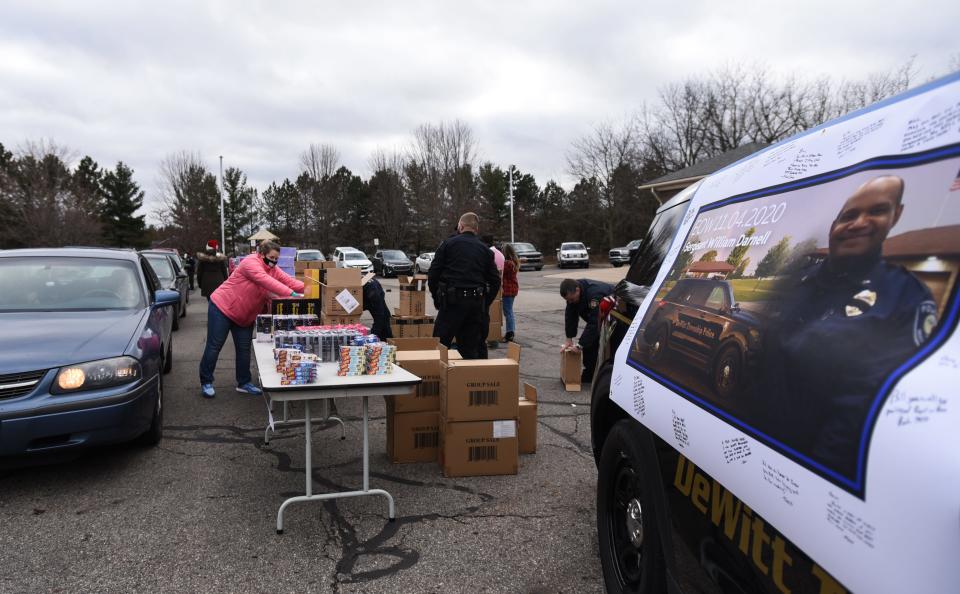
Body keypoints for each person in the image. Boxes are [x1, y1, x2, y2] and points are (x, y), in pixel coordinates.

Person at [768, 175, 937, 478]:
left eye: (876, 211)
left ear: (895, 215)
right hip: (755, 444)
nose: (859, 223)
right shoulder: (797, 280)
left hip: (816, 469)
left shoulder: (905, 298)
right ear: (834, 225)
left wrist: (816, 477)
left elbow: (869, 408)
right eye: (849, 216)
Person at [199, 240, 305, 399]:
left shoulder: (273, 268)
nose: (274, 261)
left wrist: (311, 287)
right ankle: (206, 381)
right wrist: (292, 293)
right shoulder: (250, 263)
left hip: (245, 315)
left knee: (244, 349)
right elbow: (266, 281)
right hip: (223, 308)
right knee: (214, 346)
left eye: (277, 259)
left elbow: (289, 280)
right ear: (261, 254)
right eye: (271, 257)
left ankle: (244, 382)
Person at [428, 212, 501, 359]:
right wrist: (485, 302)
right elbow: (495, 281)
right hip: (475, 305)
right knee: (470, 350)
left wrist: (437, 299)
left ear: (460, 226)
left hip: (451, 304)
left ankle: (439, 379)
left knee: (440, 347)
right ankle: (469, 381)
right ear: (476, 229)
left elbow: (433, 274)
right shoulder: (485, 250)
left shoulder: (448, 245)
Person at [561, 278, 614, 384]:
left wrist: (580, 345)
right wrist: (569, 338)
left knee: (602, 345)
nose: (570, 302)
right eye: (568, 300)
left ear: (577, 290)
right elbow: (570, 316)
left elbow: (594, 323)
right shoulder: (573, 292)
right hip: (599, 319)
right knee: (589, 344)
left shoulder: (594, 295)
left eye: (571, 299)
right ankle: (590, 374)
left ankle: (609, 378)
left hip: (614, 318)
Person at [501, 243, 520, 343]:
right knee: (509, 311)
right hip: (512, 289)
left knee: (508, 312)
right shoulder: (513, 262)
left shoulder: (507, 263)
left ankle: (510, 333)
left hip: (508, 289)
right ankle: (511, 331)